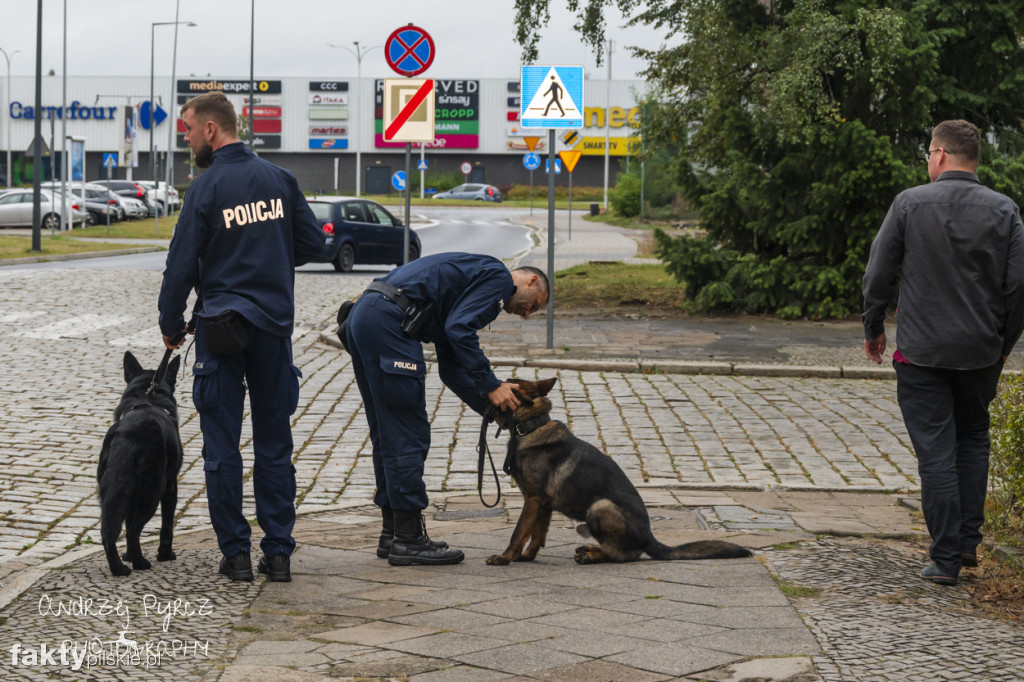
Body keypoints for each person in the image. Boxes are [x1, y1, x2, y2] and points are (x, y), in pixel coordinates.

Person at [158, 91, 326, 583]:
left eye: (188, 130)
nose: (188, 140)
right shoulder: (280, 180)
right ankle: (278, 554)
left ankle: (234, 554)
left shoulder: (206, 188)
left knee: (222, 448)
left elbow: (181, 264)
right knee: (275, 446)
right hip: (273, 329)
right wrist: (268, 259)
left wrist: (172, 324)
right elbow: (313, 244)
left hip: (219, 329)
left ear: (211, 130)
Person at [862, 119, 1024, 586]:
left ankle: (946, 558)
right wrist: (1002, 345)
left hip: (922, 354)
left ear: (939, 155)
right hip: (980, 352)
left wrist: (874, 327)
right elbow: (1018, 287)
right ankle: (968, 544)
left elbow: (878, 274)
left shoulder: (909, 203)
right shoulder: (1005, 209)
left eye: (928, 154)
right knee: (973, 440)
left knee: (935, 451)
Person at [345, 253, 549, 565]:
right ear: (531, 280)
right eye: (534, 305)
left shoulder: (469, 281)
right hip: (389, 322)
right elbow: (460, 329)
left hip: (366, 316)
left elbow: (451, 367)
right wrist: (492, 383)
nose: (526, 314)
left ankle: (394, 532)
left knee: (388, 432)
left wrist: (491, 408)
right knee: (407, 433)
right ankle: (409, 540)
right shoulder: (499, 278)